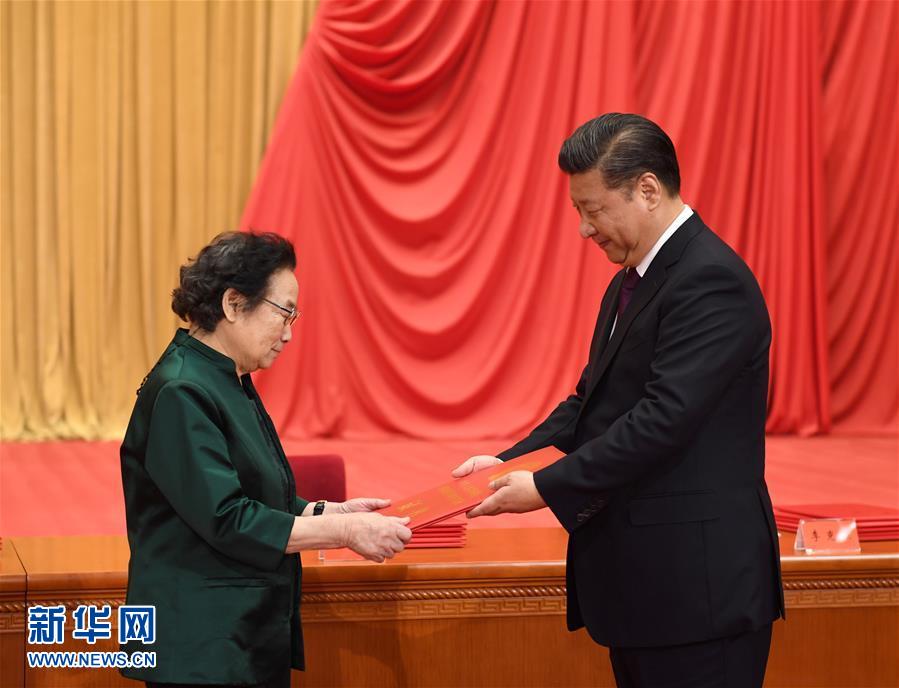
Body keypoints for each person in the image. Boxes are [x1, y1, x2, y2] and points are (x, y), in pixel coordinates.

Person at [454, 114, 784, 687]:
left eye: (593, 209)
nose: (585, 228)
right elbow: (593, 401)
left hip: (698, 592)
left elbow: (662, 419)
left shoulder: (711, 280)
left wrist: (545, 486)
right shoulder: (633, 276)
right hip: (649, 589)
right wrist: (509, 462)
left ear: (647, 190)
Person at [119, 231, 412, 688]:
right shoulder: (183, 389)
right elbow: (227, 518)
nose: (289, 333)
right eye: (283, 313)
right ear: (234, 304)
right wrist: (345, 532)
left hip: (236, 635)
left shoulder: (225, 376)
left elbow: (257, 489)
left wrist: (325, 511)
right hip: (200, 645)